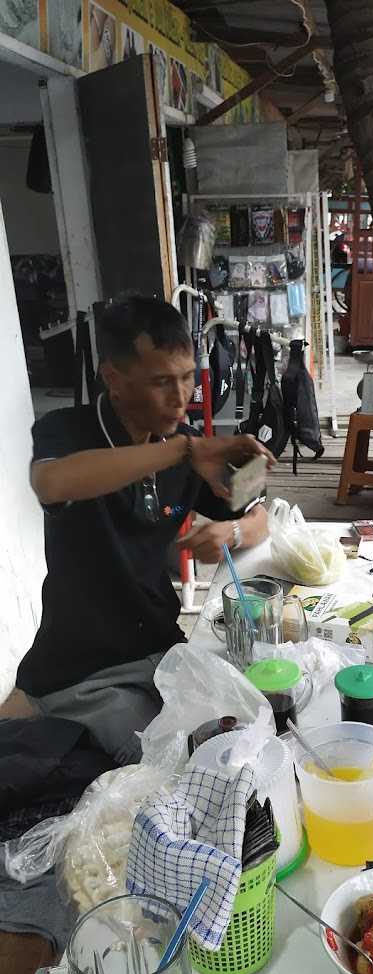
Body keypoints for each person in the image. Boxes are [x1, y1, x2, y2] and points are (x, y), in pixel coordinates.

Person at [0, 295, 272, 762]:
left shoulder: (184, 447)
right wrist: (182, 451)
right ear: (114, 380)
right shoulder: (70, 432)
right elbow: (52, 481)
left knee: (252, 727)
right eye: (161, 381)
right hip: (83, 671)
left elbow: (261, 515)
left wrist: (232, 533)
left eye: (187, 377)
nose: (180, 396)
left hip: (159, 651)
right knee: (174, 765)